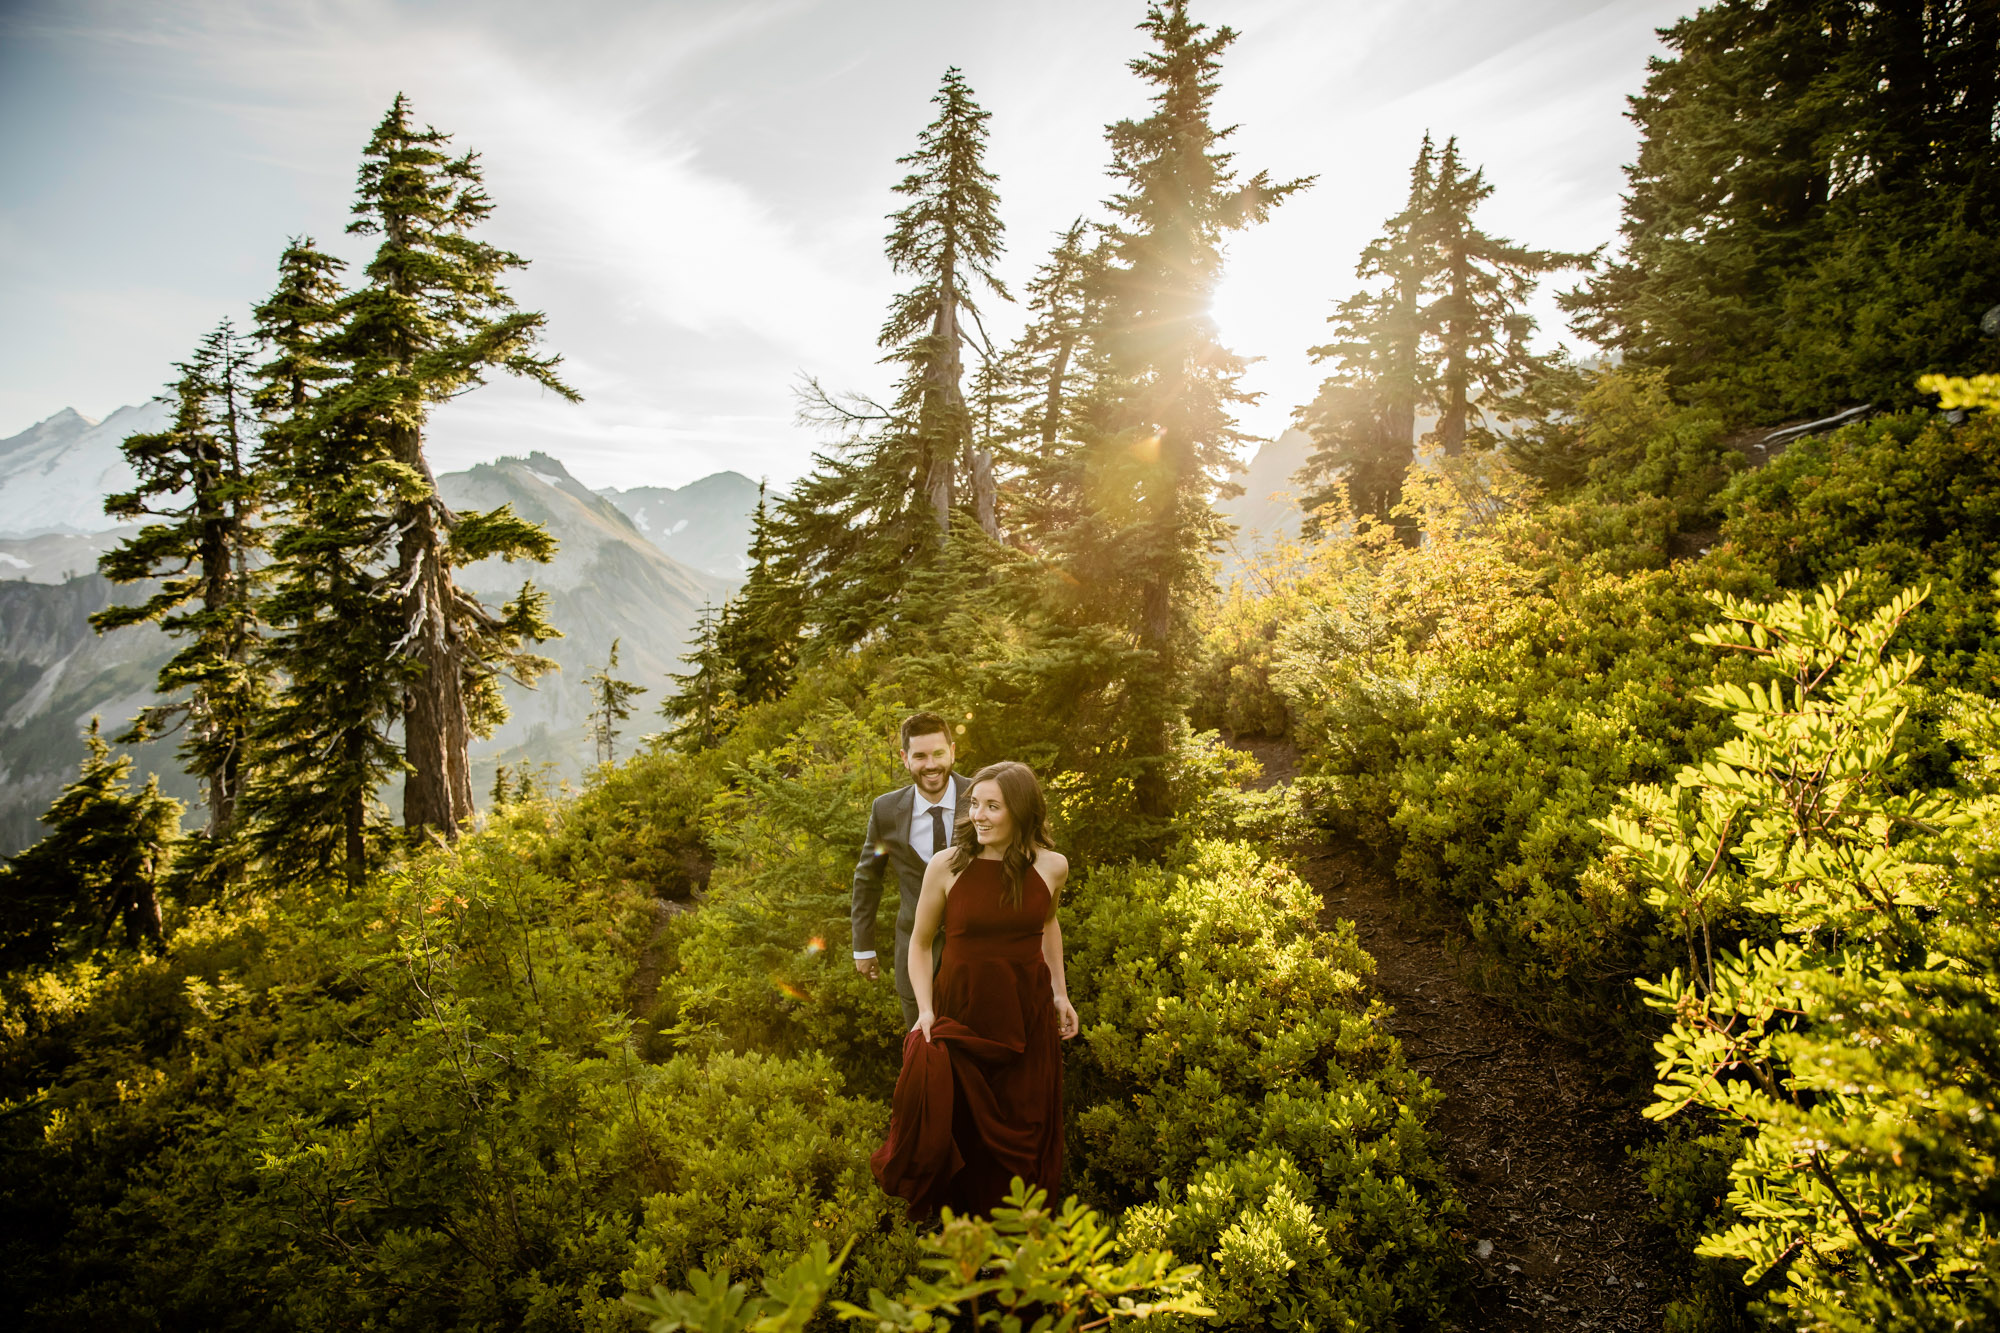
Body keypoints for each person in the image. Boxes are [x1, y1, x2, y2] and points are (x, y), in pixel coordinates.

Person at [870, 760, 1080, 1220]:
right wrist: (925, 1011)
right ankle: (966, 1231)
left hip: (1026, 1015)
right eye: (974, 804)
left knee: (1026, 1122)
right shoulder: (947, 866)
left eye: (992, 806)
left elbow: (1047, 924)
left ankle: (1016, 1235)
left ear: (1021, 812)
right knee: (966, 1126)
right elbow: (920, 946)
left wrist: (1060, 995)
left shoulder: (1052, 867)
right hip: (962, 1013)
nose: (978, 816)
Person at [851, 712, 972, 1029]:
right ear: (905, 759)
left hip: (979, 959)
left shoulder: (981, 799)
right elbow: (868, 879)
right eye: (920, 756)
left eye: (938, 753)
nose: (931, 765)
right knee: (926, 1059)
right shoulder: (887, 812)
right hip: (915, 959)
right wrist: (863, 947)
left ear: (952, 751)